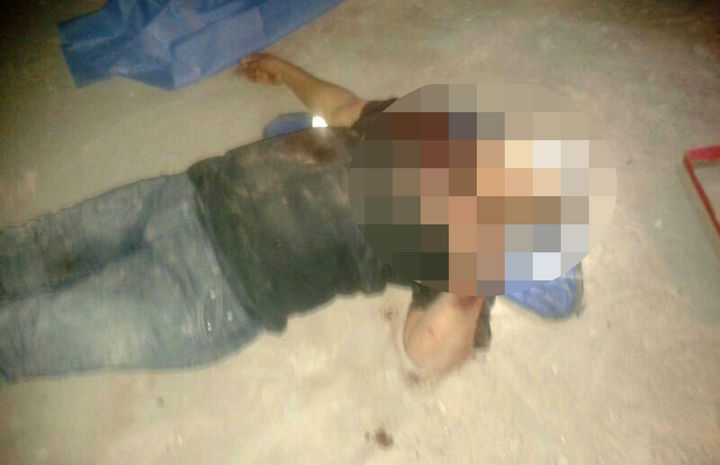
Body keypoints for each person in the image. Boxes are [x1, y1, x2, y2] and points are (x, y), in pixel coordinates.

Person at [0, 53, 492, 385]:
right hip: (182, 195)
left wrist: (469, 285)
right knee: (25, 251)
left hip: (213, 290)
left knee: (23, 337)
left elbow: (425, 352)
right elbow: (345, 107)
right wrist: (287, 71)